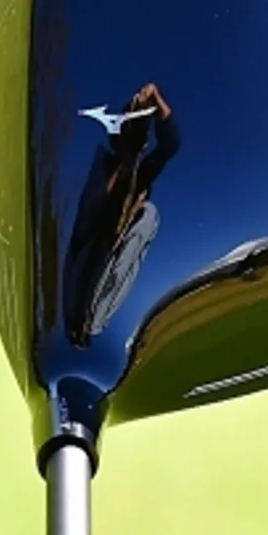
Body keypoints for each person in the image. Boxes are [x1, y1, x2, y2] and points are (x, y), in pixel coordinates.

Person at [63, 82, 181, 346]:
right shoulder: (99, 167)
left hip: (109, 270)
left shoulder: (141, 172)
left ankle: (91, 325)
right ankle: (83, 325)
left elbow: (171, 145)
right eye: (128, 124)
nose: (137, 135)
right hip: (83, 265)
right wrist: (127, 159)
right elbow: (89, 215)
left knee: (149, 215)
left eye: (140, 127)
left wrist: (155, 99)